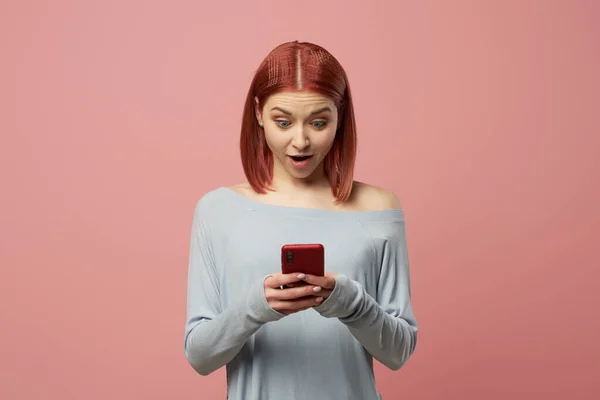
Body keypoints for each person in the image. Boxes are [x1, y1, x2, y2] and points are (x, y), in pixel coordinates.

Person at [184, 40, 418, 400]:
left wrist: (351, 303)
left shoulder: (378, 208)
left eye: (319, 122)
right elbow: (199, 356)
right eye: (283, 121)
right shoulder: (218, 210)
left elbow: (398, 352)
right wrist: (256, 308)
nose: (301, 140)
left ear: (340, 116)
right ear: (259, 113)